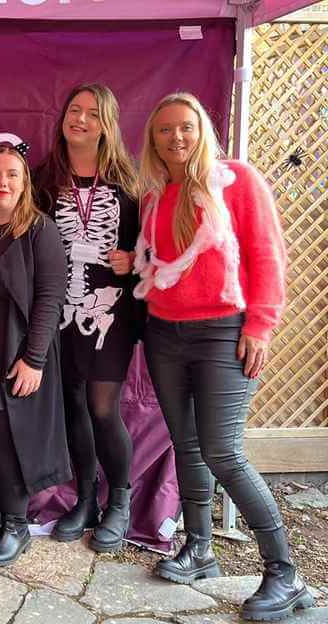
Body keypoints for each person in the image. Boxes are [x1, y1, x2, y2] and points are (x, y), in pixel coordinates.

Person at [135, 92, 313, 621]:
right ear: (153, 140)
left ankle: (286, 572)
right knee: (186, 447)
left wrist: (261, 325)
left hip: (223, 334)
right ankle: (198, 549)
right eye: (164, 130)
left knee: (222, 451)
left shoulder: (236, 179)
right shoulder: (154, 194)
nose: (176, 138)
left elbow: (266, 252)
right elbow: (161, 264)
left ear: (202, 130)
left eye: (185, 127)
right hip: (164, 333)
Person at [33, 83, 141, 552]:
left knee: (101, 406)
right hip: (58, 310)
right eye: (73, 110)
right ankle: (85, 500)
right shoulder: (42, 180)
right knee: (73, 405)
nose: (80, 119)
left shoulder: (129, 184)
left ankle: (120, 498)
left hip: (109, 311)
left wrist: (135, 258)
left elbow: (155, 246)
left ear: (108, 124)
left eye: (92, 114)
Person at [0, 140, 69, 568]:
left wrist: (34, 358)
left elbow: (50, 298)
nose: (3, 182)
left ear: (24, 183)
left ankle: (16, 525)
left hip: (14, 358)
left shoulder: (39, 230)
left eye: (12, 175)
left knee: (6, 441)